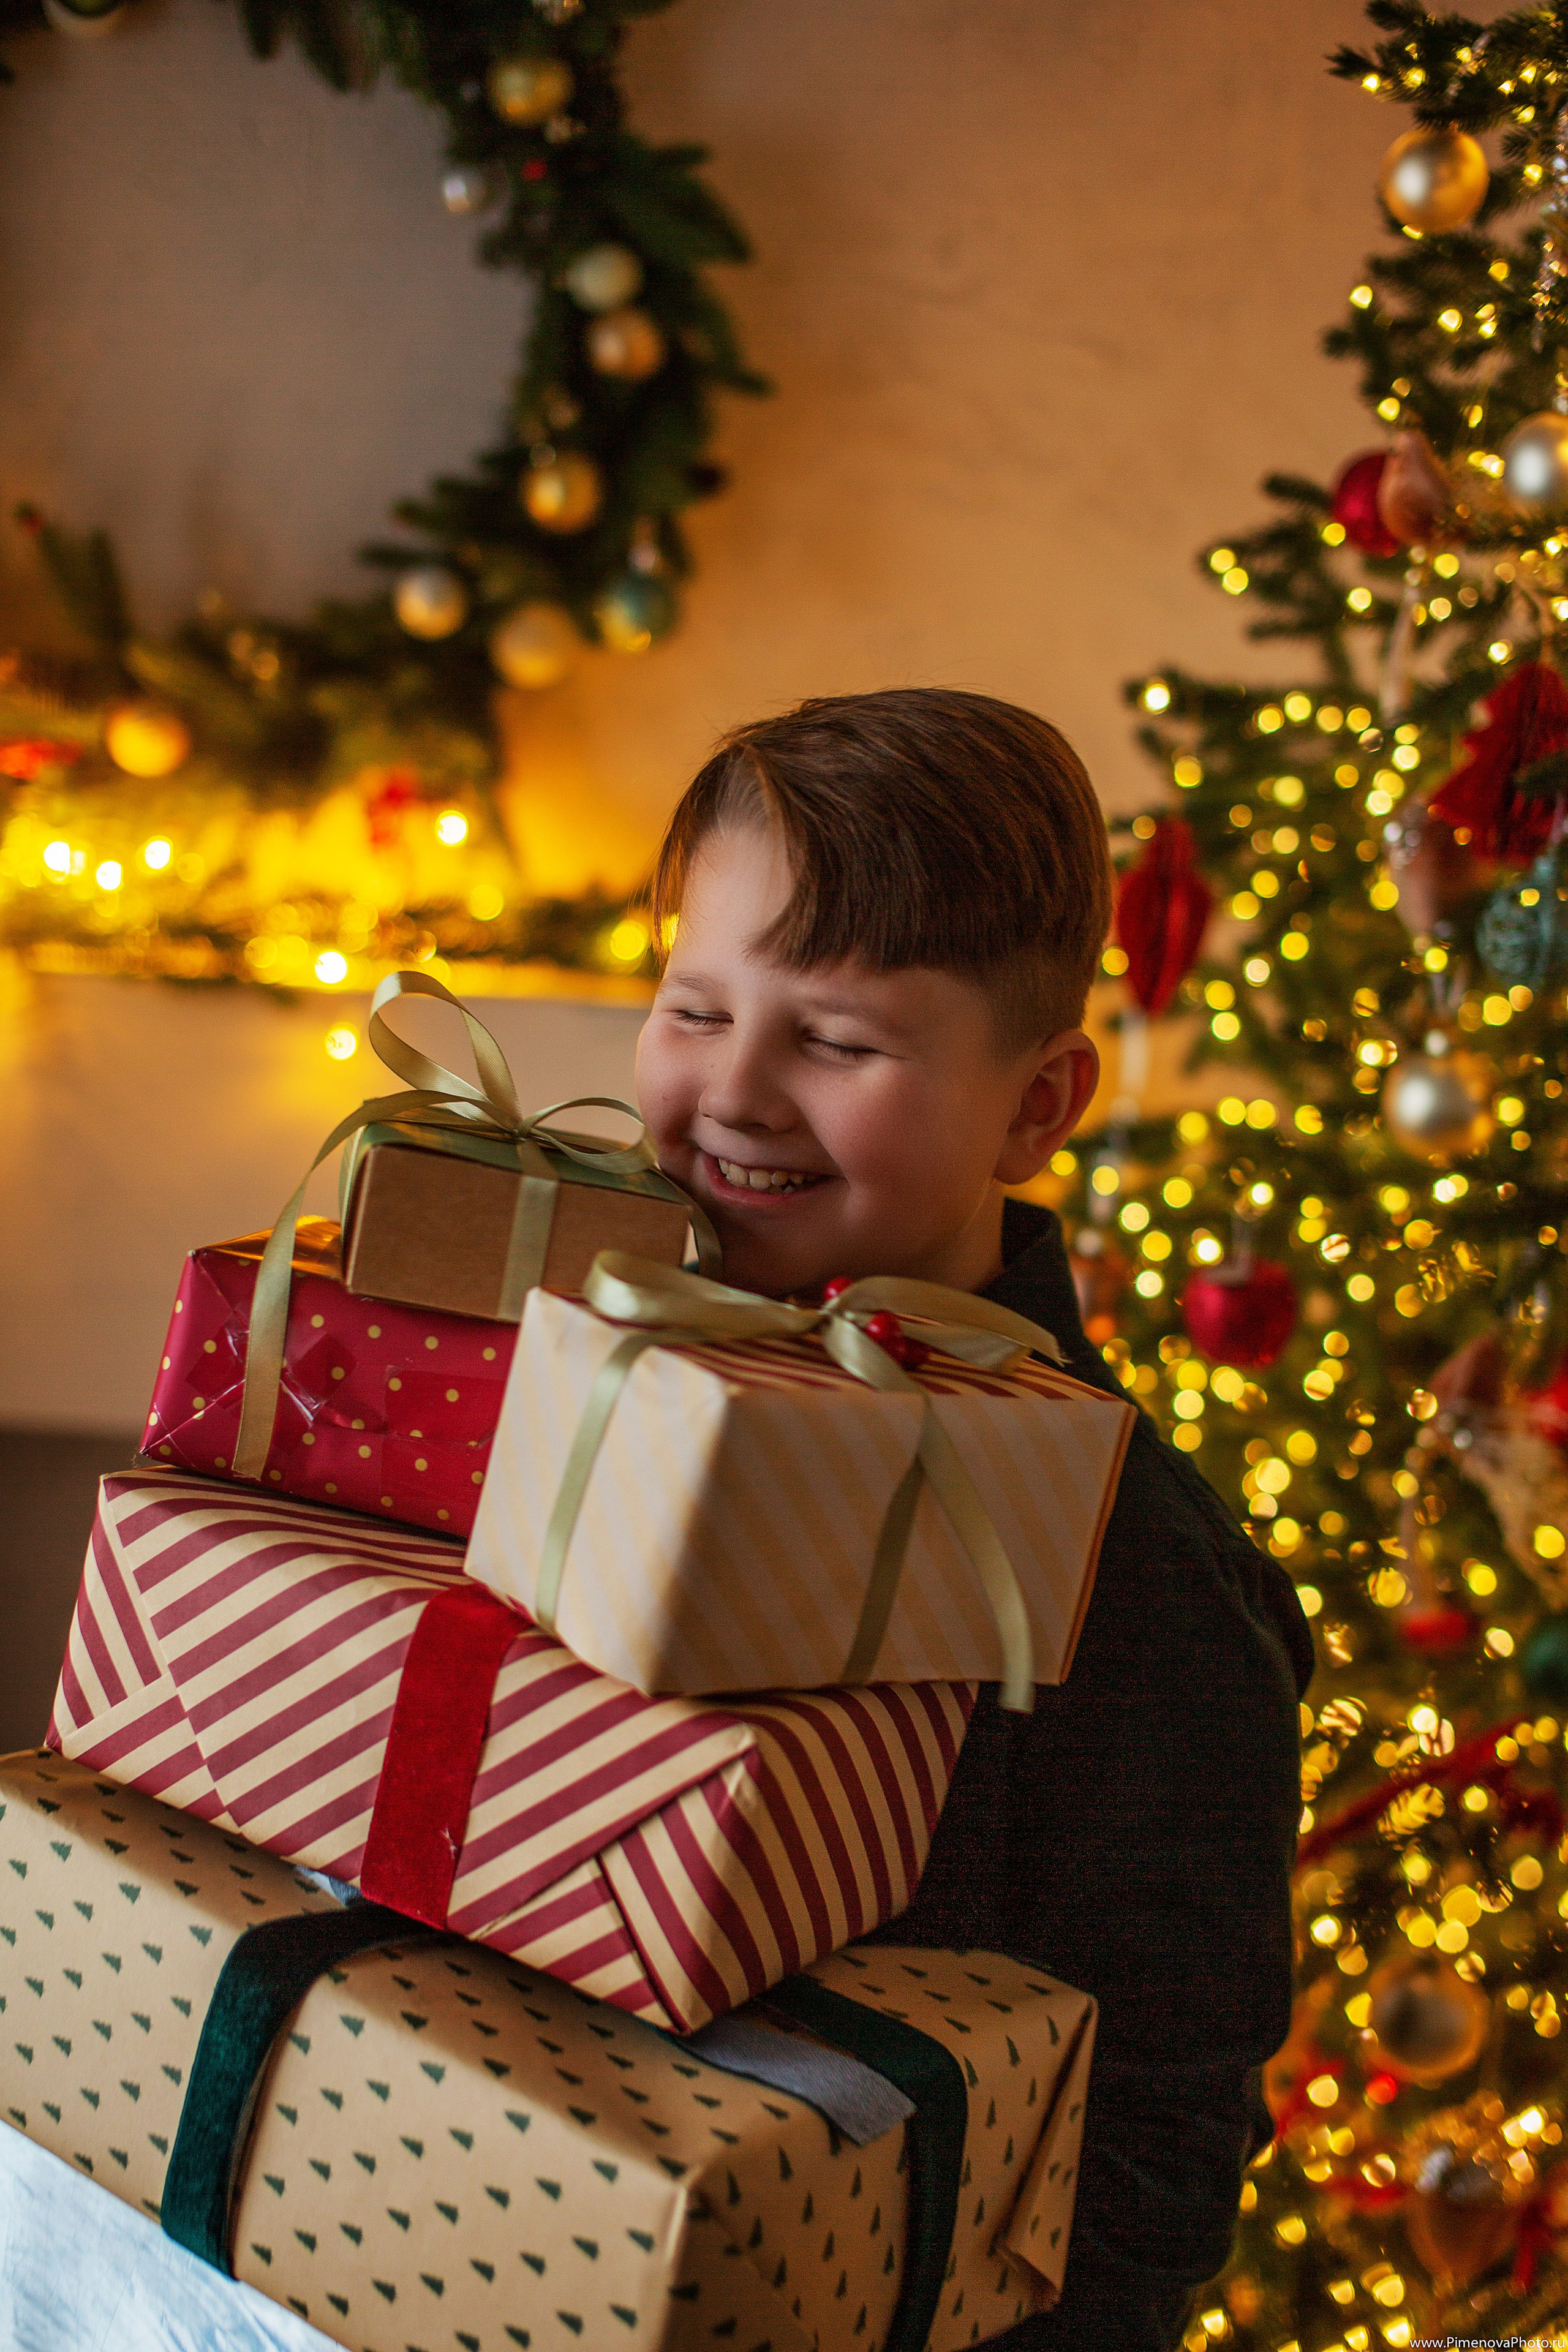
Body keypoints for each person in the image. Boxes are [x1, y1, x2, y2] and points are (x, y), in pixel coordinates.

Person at [633, 687, 1313, 2351]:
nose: (736, 1090)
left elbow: (1149, 2155)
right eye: (694, 1007)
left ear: (1035, 1106)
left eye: (836, 1040)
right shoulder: (584, 1380)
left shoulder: (1134, 1573)